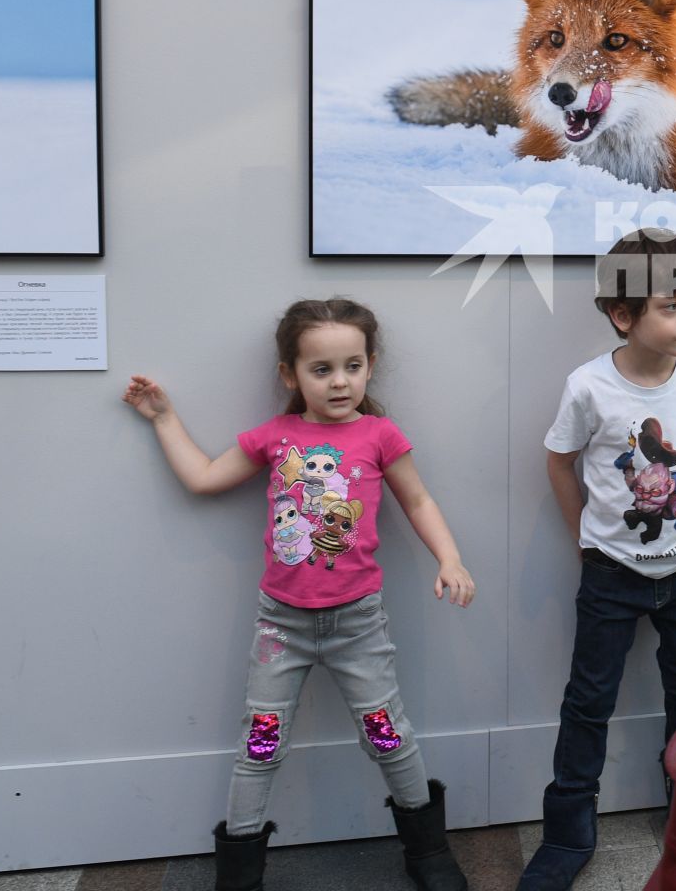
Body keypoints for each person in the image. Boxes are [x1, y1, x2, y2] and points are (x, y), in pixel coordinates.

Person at [122, 297, 475, 891]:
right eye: (321, 369)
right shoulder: (275, 436)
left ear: (369, 365)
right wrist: (163, 418)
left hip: (357, 627)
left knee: (387, 733)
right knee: (261, 742)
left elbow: (418, 500)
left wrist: (451, 556)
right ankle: (239, 868)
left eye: (353, 366)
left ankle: (427, 848)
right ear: (290, 374)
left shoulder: (379, 434)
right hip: (279, 630)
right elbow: (205, 478)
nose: (340, 381)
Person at [518, 228, 676, 890]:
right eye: (673, 305)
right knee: (589, 699)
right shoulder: (589, 387)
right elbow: (560, 462)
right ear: (623, 315)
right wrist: (584, 539)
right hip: (612, 574)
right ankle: (568, 829)